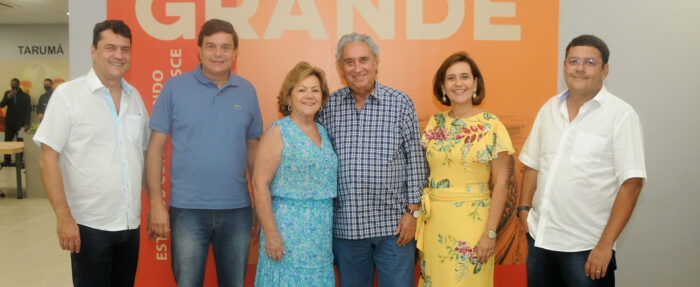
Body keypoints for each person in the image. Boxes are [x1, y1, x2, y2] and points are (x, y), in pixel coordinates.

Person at [518, 35, 646, 287]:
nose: (580, 68)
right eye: (574, 60)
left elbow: (631, 184)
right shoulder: (549, 109)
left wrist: (605, 245)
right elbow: (532, 164)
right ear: (564, 66)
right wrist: (523, 211)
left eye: (590, 62)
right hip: (540, 240)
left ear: (605, 70)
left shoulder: (621, 115)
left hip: (586, 248)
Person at [146, 19, 262, 287]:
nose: (218, 54)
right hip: (187, 210)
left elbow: (254, 148)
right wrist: (156, 203)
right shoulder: (174, 88)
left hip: (237, 210)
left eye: (225, 47)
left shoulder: (247, 91)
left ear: (235, 52)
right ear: (198, 50)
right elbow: (155, 148)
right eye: (211, 46)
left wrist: (259, 201)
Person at [34, 20, 150, 286]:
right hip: (88, 226)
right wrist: (63, 217)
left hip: (129, 225)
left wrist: (154, 204)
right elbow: (47, 157)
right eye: (110, 47)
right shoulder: (68, 95)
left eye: (124, 49)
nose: (118, 55)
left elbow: (141, 156)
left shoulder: (136, 99)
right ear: (93, 51)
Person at [316, 33, 428, 286]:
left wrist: (413, 212)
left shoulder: (400, 103)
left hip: (395, 228)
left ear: (376, 62)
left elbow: (416, 162)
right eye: (349, 62)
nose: (357, 68)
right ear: (340, 67)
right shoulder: (328, 107)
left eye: (364, 60)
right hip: (347, 229)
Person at [415, 52, 514, 287]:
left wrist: (490, 233)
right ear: (442, 86)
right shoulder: (434, 124)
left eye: (464, 77)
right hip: (434, 224)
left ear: (475, 83)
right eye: (451, 78)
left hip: (473, 226)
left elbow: (501, 183)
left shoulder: (492, 125)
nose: (458, 84)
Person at [253, 61, 337, 286]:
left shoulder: (323, 132)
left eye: (315, 90)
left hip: (319, 239)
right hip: (286, 236)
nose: (309, 96)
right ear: (289, 97)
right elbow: (260, 184)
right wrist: (271, 235)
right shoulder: (278, 131)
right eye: (301, 90)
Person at [1, 78, 31, 166]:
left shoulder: (26, 96)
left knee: (20, 142)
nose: (12, 86)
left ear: (18, 85)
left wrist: (26, 123)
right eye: (11, 85)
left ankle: (19, 161)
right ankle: (7, 161)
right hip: (9, 123)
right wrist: (8, 97)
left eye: (14, 85)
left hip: (21, 124)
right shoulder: (7, 93)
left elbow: (27, 110)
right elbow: (1, 105)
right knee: (7, 141)